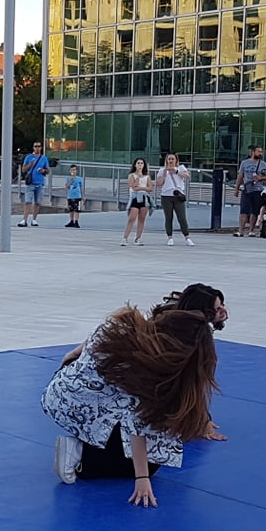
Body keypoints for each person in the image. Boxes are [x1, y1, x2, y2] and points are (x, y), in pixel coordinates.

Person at [41, 284, 228, 508]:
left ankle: (97, 443)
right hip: (76, 404)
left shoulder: (146, 328)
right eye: (217, 308)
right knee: (152, 461)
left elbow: (103, 332)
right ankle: (82, 457)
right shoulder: (149, 364)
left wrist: (73, 355)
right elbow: (137, 421)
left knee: (158, 440)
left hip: (66, 386)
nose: (223, 312)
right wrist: (142, 478)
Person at [156, 153, 194, 247]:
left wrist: (176, 171)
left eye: (172, 159)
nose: (171, 161)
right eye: (169, 159)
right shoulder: (162, 170)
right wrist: (165, 173)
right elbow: (159, 183)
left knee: (182, 217)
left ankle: (187, 237)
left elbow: (187, 176)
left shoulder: (181, 168)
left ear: (176, 160)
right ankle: (170, 237)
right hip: (166, 196)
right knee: (168, 217)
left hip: (178, 196)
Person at [234, 145, 266, 237]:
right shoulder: (245, 163)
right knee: (243, 210)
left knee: (255, 211)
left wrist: (260, 178)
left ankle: (251, 230)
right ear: (253, 152)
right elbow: (240, 176)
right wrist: (237, 189)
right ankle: (240, 231)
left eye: (261, 152)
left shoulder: (263, 164)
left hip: (258, 190)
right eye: (258, 151)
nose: (260, 153)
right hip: (247, 189)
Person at [121, 157, 153, 246]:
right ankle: (125, 238)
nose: (140, 165)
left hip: (144, 198)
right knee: (132, 218)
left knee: (141, 219)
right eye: (138, 163)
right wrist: (138, 177)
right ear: (135, 165)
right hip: (135, 198)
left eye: (141, 163)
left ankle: (138, 238)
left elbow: (150, 188)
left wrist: (142, 188)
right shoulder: (132, 175)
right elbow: (133, 187)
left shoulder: (147, 176)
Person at [18, 142, 50, 227]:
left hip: (40, 183)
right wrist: (30, 165)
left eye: (39, 146)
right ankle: (24, 220)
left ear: (41, 148)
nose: (37, 148)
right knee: (28, 202)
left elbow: (48, 170)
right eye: (36, 146)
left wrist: (44, 171)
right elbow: (24, 169)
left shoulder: (44, 158)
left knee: (37, 202)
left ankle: (34, 219)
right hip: (30, 183)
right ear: (33, 148)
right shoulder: (29, 157)